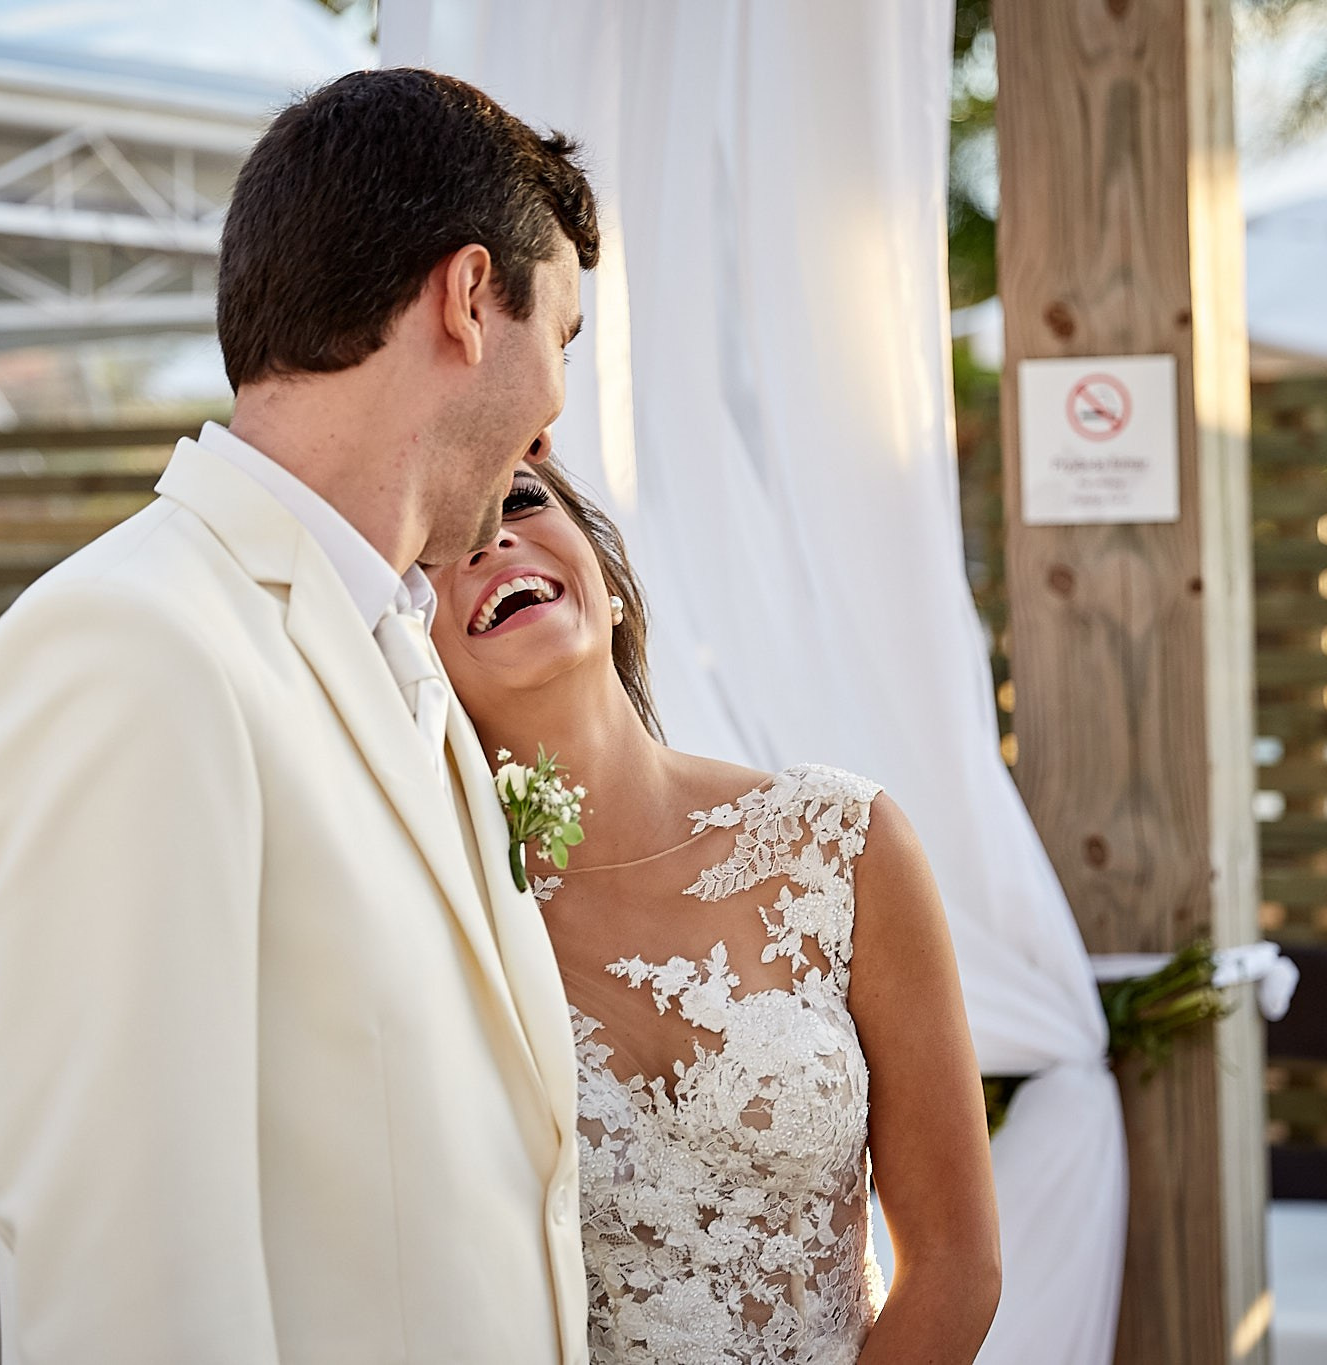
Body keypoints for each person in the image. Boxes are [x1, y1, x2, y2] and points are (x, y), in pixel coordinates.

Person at [0, 69, 597, 1363]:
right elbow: (129, 1287)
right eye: (560, 338)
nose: (554, 428)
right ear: (468, 299)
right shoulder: (129, 649)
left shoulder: (390, 650)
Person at [426, 461, 1003, 1365]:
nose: (489, 539)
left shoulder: (842, 842)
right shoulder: (445, 918)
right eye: (433, 549)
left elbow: (955, 1260)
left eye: (523, 501)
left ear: (609, 582)